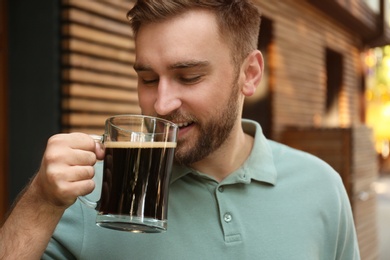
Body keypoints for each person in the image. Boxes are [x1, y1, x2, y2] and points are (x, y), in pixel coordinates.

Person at [1, 0, 360, 259]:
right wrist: (40, 202)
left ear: (249, 74)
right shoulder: (84, 192)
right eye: (147, 78)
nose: (161, 104)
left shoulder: (322, 186)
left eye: (189, 77)